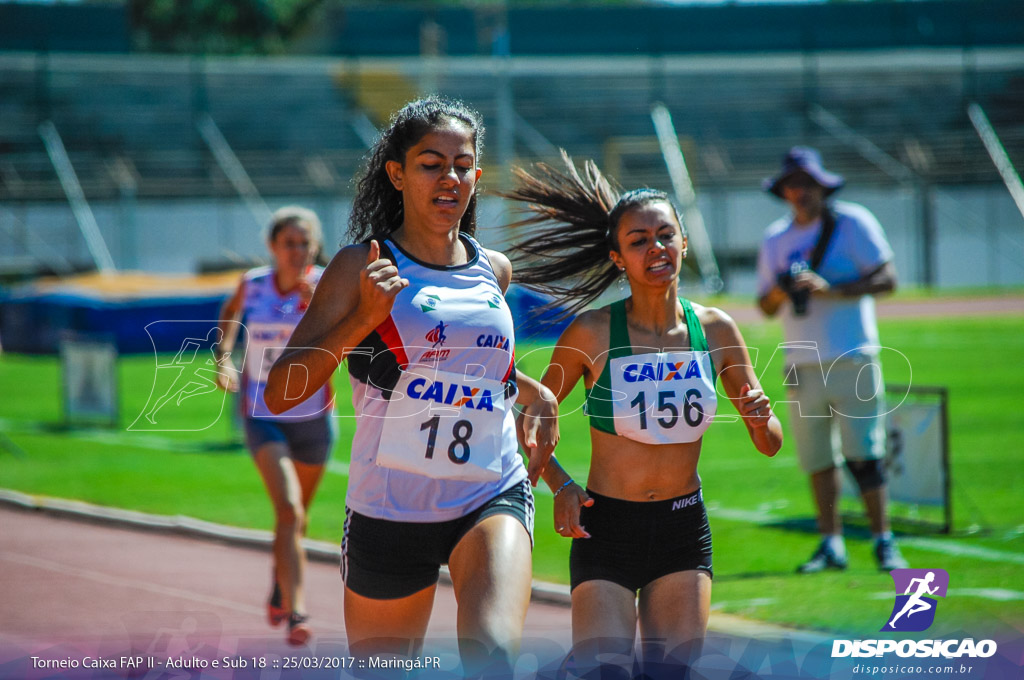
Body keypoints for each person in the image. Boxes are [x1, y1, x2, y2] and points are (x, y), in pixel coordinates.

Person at [263, 97, 558, 676]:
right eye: (431, 163)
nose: (450, 177)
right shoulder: (359, 265)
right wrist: (360, 319)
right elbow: (280, 391)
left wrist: (531, 390)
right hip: (389, 506)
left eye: (463, 164)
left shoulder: (492, 269)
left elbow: (470, 363)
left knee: (494, 657)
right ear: (397, 173)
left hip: (487, 490)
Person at [503, 154, 782, 676]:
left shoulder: (716, 330)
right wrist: (560, 484)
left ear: (683, 242)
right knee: (603, 669)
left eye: (665, 235)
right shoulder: (592, 333)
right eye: (639, 241)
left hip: (682, 529)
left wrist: (757, 416)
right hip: (605, 528)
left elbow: (770, 442)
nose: (656, 248)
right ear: (618, 259)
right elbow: (527, 415)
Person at [756, 146, 908, 573]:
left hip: (853, 355)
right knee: (816, 459)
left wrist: (831, 290)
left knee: (866, 454)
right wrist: (786, 289)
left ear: (823, 187)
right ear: (783, 192)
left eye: (807, 184)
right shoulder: (775, 238)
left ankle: (883, 539)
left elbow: (888, 278)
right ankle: (831, 543)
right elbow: (765, 304)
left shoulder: (853, 223)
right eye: (792, 186)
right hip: (802, 361)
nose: (800, 193)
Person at [214, 205, 332, 646]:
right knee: (289, 509)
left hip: (314, 418)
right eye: (289, 244)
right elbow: (230, 316)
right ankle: (297, 612)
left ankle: (280, 578)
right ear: (273, 247)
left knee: (295, 521)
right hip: (264, 417)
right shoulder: (253, 283)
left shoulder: (325, 285)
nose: (298, 251)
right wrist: (224, 358)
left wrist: (315, 303)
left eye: (306, 244)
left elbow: (348, 334)